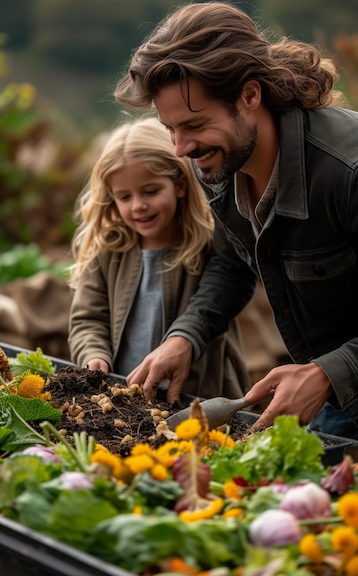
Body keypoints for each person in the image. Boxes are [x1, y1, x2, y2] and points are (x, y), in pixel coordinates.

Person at [114, 0, 358, 439]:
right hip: (335, 398)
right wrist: (185, 336)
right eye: (170, 129)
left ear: (250, 95)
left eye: (193, 125)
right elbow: (230, 264)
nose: (180, 149)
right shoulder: (216, 163)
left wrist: (326, 372)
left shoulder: (348, 173)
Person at [67, 116, 250, 400]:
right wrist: (93, 355)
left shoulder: (209, 246)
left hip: (195, 399)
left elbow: (217, 308)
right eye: (124, 197)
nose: (139, 206)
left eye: (151, 191)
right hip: (123, 398)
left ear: (179, 185)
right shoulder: (107, 248)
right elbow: (87, 319)